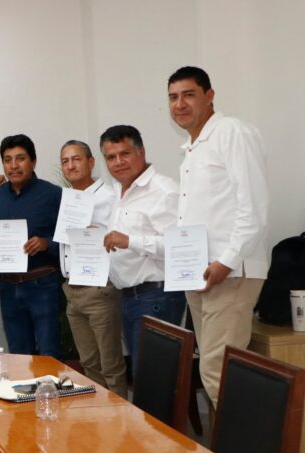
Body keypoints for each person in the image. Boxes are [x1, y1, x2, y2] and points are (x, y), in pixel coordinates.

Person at [168, 66, 269, 405]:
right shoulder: (191, 148)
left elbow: (254, 207)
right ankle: (228, 440)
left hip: (231, 271)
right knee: (216, 370)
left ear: (210, 96)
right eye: (173, 97)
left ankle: (246, 441)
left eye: (188, 95)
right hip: (200, 274)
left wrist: (226, 261)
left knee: (217, 370)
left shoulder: (232, 132)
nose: (179, 104)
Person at [99, 125, 186, 372]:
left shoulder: (164, 191)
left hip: (156, 297)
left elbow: (180, 247)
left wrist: (130, 241)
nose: (118, 162)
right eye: (111, 157)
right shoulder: (118, 191)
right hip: (128, 297)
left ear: (141, 152)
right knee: (144, 377)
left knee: (152, 378)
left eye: (124, 154)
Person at [0, 134, 62, 357]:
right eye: (8, 160)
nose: (14, 165)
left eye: (20, 158)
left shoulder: (53, 194)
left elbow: (70, 239)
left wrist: (46, 243)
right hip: (8, 288)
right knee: (18, 356)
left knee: (48, 355)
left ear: (33, 162)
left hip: (42, 285)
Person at [58, 140, 125, 395]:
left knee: (111, 365)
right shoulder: (67, 198)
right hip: (72, 290)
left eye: (76, 159)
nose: (70, 165)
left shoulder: (110, 196)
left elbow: (122, 237)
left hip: (99, 289)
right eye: (65, 161)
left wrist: (101, 233)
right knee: (88, 363)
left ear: (91, 162)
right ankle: (99, 413)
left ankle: (119, 416)